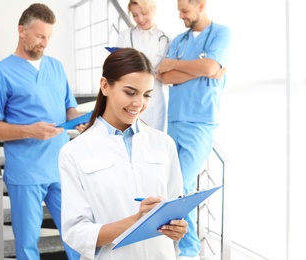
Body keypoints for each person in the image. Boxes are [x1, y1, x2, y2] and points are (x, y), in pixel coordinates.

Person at [59, 48, 188, 260]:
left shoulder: (163, 144)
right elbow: (76, 233)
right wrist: (136, 220)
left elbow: (175, 209)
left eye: (146, 95)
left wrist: (178, 229)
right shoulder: (74, 152)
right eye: (130, 92)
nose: (139, 103)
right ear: (105, 86)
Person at [0, 3, 82, 260]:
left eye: (48, 37)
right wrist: (30, 131)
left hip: (60, 166)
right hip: (26, 171)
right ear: (21, 31)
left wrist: (80, 121)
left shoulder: (56, 67)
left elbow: (70, 109)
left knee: (77, 235)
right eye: (39, 36)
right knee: (27, 244)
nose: (45, 43)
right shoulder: (0, 73)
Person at [157, 0, 232, 259]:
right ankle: (183, 248)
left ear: (200, 5)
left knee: (183, 185)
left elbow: (210, 67)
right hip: (175, 119)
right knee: (172, 185)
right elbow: (164, 76)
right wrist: (202, 69)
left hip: (201, 121)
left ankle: (189, 251)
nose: (180, 16)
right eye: (178, 11)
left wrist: (178, 65)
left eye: (184, 10)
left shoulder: (221, 33)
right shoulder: (179, 39)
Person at [116, 0, 170, 132]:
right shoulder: (125, 35)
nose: (139, 19)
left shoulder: (166, 39)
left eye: (144, 13)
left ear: (154, 10)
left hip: (155, 96)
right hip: (129, 94)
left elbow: (167, 71)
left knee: (154, 140)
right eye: (134, 15)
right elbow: (116, 65)